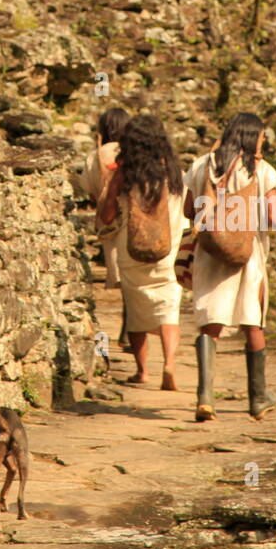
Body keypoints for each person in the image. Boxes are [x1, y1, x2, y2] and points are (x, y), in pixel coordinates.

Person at [183, 113, 276, 422]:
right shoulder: (262, 171)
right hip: (248, 254)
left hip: (209, 251)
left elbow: (189, 209)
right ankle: (258, 399)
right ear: (253, 138)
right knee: (252, 321)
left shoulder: (202, 165)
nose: (263, 143)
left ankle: (205, 397)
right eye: (262, 138)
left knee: (210, 320)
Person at [98, 112, 186, 390]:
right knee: (169, 309)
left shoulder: (124, 174)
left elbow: (108, 214)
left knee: (136, 310)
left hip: (131, 248)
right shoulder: (174, 172)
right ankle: (170, 363)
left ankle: (143, 371)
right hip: (168, 249)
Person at [82, 107, 130, 344]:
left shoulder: (95, 156)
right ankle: (131, 327)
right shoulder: (134, 153)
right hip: (132, 222)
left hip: (109, 224)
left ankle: (129, 328)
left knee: (121, 276)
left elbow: (88, 190)